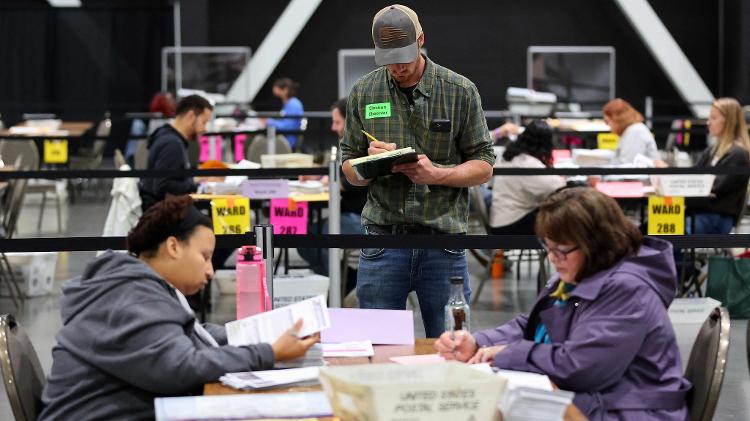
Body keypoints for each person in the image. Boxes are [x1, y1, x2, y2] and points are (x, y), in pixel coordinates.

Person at [39, 196, 319, 420]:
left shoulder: (137, 284)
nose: (210, 271)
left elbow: (191, 333)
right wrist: (268, 352)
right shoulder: (131, 295)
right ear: (173, 247)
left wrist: (259, 333)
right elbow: (180, 366)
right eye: (205, 257)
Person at [435, 187, 690, 420]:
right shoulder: (583, 270)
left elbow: (581, 367)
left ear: (597, 243)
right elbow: (538, 324)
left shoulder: (628, 289)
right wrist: (481, 342)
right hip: (601, 400)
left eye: (562, 250)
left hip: (631, 411)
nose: (554, 258)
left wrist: (508, 352)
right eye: (548, 247)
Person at [340, 4, 495, 337]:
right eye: (389, 58)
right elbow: (348, 168)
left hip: (443, 244)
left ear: (421, 40)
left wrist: (437, 174)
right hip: (382, 241)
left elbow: (484, 165)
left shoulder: (460, 92)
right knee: (380, 350)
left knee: (451, 347)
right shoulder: (364, 92)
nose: (398, 67)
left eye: (405, 56)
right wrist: (368, 165)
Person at [298, 98, 367, 293]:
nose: (333, 127)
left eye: (337, 122)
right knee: (306, 238)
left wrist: (330, 182)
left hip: (366, 219)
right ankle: (341, 282)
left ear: (350, 121)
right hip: (350, 213)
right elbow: (340, 172)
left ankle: (338, 289)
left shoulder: (366, 144)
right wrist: (321, 176)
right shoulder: (350, 145)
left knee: (328, 231)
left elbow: (356, 181)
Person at [139, 94, 213, 212]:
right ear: (191, 116)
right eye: (204, 122)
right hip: (164, 215)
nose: (205, 129)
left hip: (161, 211)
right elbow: (163, 187)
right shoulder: (172, 144)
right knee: (209, 224)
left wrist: (195, 179)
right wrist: (195, 183)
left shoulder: (168, 137)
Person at [490, 120, 566, 235]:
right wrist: (564, 178)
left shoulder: (511, 154)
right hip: (511, 226)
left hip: (502, 220)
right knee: (561, 214)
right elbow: (556, 187)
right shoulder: (527, 162)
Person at [689, 97, 750, 234]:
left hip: (717, 218)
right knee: (652, 228)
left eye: (713, 118)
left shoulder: (737, 154)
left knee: (667, 232)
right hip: (702, 213)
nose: (708, 122)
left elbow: (715, 187)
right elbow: (694, 175)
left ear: (728, 122)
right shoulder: (713, 150)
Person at [124, 92, 177, 167]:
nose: (173, 102)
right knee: (137, 125)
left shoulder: (174, 118)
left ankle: (129, 159)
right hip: (154, 147)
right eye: (169, 99)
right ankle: (130, 158)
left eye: (172, 99)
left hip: (166, 148)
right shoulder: (158, 117)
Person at [602, 98, 659, 164]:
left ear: (618, 119)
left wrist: (600, 173)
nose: (607, 125)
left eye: (607, 121)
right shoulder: (631, 130)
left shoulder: (635, 131)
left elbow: (627, 165)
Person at [265, 77, 304, 150]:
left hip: (288, 142)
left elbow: (289, 127)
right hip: (282, 138)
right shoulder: (287, 103)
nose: (277, 95)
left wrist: (268, 121)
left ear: (285, 90)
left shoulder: (294, 104)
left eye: (279, 91)